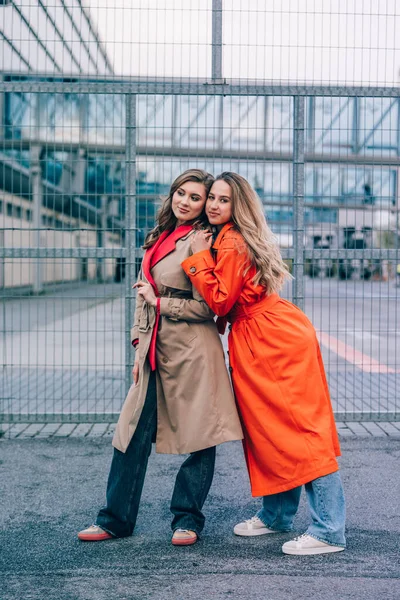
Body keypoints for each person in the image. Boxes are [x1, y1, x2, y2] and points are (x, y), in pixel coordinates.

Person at [182, 172, 346, 556]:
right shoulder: (223, 237)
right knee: (271, 431)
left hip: (272, 338)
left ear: (238, 206)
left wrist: (197, 259)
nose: (214, 205)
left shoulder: (233, 241)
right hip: (259, 335)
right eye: (213, 199)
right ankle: (277, 515)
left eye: (224, 200)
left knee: (301, 432)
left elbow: (220, 301)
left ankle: (329, 530)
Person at [78, 169, 243, 546]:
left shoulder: (203, 241)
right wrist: (138, 347)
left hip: (192, 351)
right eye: (181, 193)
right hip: (154, 348)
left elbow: (210, 308)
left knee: (200, 436)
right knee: (131, 434)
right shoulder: (160, 236)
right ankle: (115, 519)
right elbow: (143, 295)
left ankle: (187, 520)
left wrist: (161, 302)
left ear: (205, 207)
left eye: (196, 197)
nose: (185, 201)